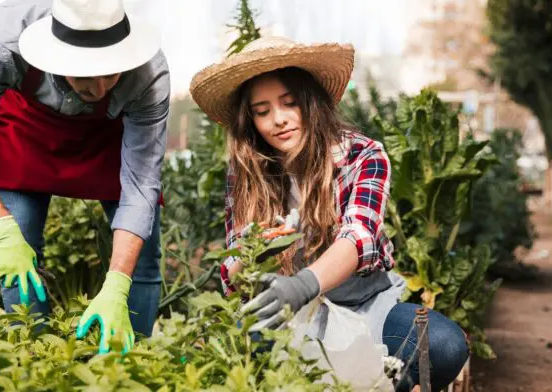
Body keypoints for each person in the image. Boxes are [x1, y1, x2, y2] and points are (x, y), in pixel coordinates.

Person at [189, 36, 469, 391]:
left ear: (310, 101)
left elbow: (359, 237)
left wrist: (303, 284)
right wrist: (254, 249)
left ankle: (376, 380)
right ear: (251, 121)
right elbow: (232, 271)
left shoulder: (361, 155)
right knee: (245, 359)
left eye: (289, 103)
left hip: (365, 306)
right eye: (262, 112)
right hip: (285, 317)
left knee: (443, 345)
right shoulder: (245, 173)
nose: (278, 120)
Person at [0, 0, 169, 355]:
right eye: (87, 75)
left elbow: (140, 188)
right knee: (19, 242)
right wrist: (3, 230)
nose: (102, 88)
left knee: (143, 257)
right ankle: (34, 357)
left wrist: (118, 283)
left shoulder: (148, 75)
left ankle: (133, 357)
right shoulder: (2, 38)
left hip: (110, 135)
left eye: (113, 72)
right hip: (27, 131)